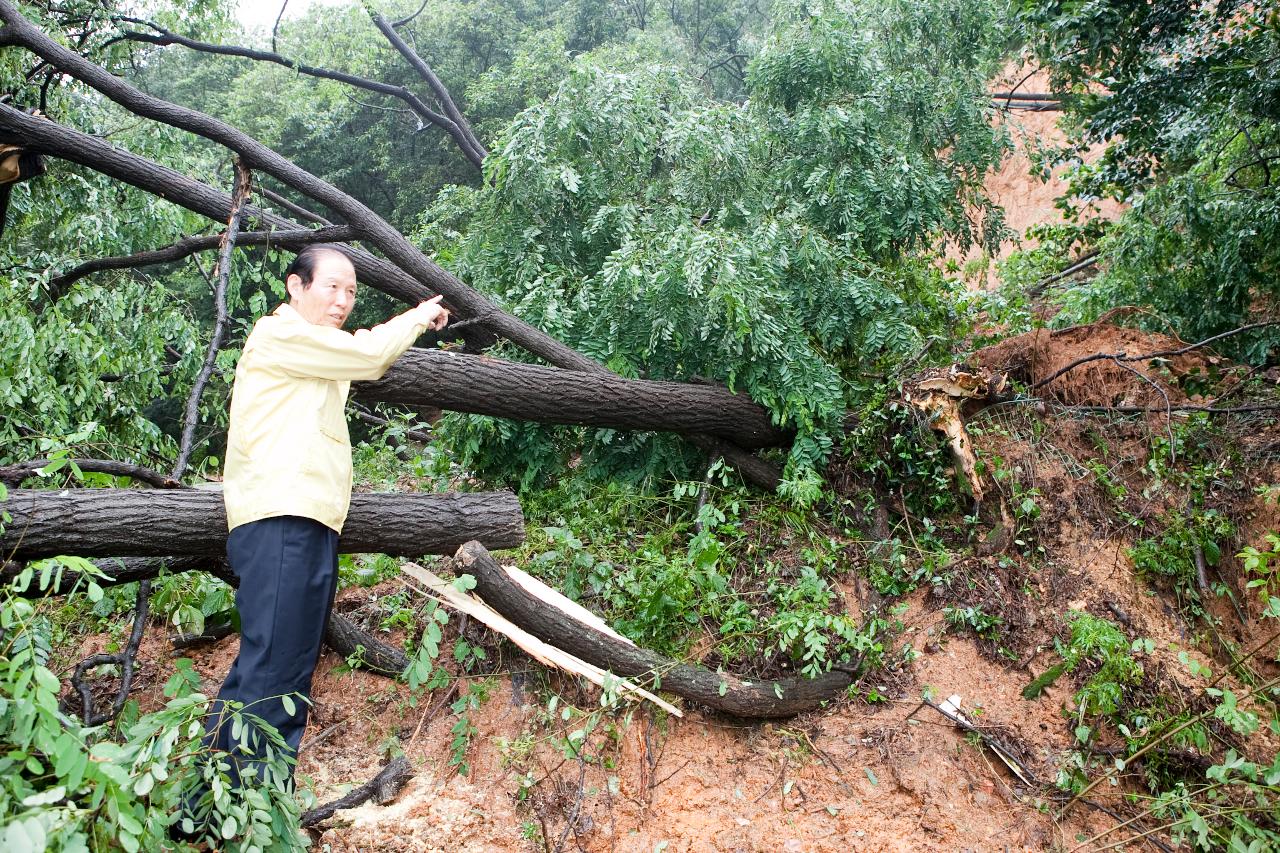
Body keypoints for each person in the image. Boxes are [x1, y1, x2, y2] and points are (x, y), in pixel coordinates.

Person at [203, 243, 447, 792]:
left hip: (306, 520)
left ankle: (209, 806)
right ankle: (251, 810)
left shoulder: (315, 352)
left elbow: (352, 357)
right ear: (296, 287)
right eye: (331, 287)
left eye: (352, 291)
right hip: (282, 518)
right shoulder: (280, 334)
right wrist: (415, 315)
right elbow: (369, 356)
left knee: (270, 664)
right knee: (277, 671)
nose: (343, 300)